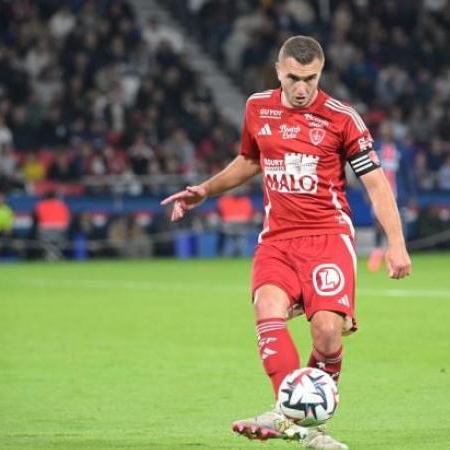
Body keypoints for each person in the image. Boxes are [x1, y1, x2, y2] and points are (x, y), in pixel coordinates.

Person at [161, 36, 411, 450]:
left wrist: (396, 243)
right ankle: (297, 422)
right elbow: (250, 161)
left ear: (321, 73)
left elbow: (375, 184)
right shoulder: (257, 107)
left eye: (310, 79)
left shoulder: (342, 118)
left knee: (328, 332)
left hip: (327, 237)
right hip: (277, 238)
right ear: (278, 71)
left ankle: (297, 421)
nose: (301, 88)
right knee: (267, 309)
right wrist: (204, 191)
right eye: (293, 77)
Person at [366, 120, 416, 272]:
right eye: (385, 128)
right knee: (378, 222)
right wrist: (366, 191)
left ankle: (398, 252)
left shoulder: (401, 149)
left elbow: (408, 173)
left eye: (390, 128)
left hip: (398, 194)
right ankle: (376, 252)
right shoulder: (375, 148)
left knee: (399, 223)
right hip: (379, 194)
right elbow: (366, 170)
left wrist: (411, 194)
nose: (388, 131)